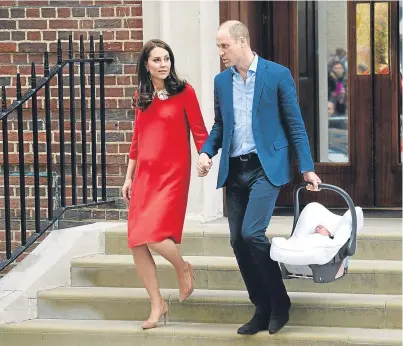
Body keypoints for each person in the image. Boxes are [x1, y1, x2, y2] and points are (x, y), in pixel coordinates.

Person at [197, 21, 322, 335]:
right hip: (234, 169)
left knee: (253, 233)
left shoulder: (277, 75)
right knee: (238, 240)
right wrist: (206, 151)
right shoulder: (221, 82)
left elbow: (295, 125)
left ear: (241, 42)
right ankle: (261, 305)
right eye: (218, 46)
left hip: (265, 167)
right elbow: (220, 126)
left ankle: (280, 303)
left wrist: (306, 167)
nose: (220, 52)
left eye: (224, 45)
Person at [122, 39, 209, 330]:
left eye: (167, 59)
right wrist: (128, 176)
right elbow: (137, 141)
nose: (163, 64)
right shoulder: (141, 97)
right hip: (145, 174)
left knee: (155, 234)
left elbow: (199, 130)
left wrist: (204, 156)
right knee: (136, 241)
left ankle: (182, 267)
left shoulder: (184, 92)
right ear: (146, 65)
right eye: (157, 60)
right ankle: (157, 303)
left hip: (173, 173)